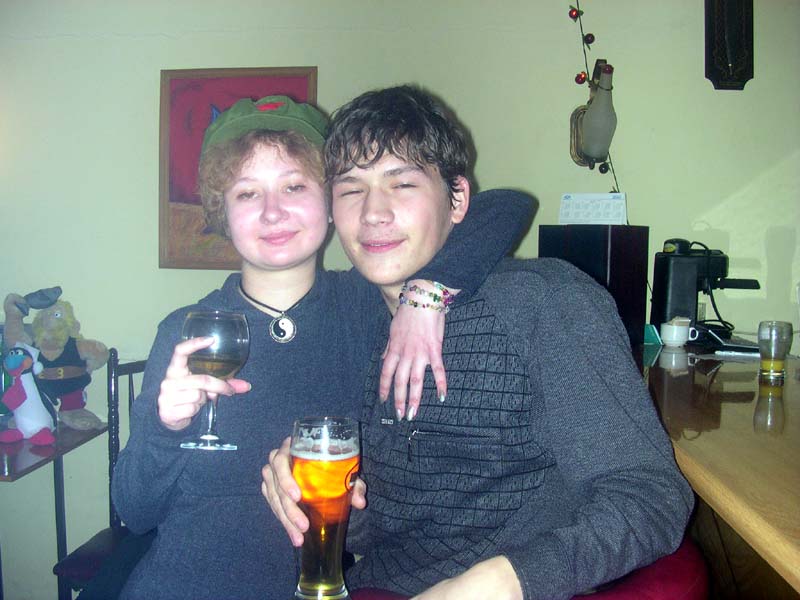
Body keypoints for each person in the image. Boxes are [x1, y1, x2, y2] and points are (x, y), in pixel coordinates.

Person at [262, 85, 694, 600]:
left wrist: (505, 580)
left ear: (458, 200)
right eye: (351, 190)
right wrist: (320, 496)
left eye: (402, 184)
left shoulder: (544, 304)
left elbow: (651, 497)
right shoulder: (353, 325)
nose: (374, 212)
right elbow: (387, 527)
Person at [108, 95, 530, 600]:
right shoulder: (188, 331)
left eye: (294, 186)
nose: (273, 212)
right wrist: (165, 429)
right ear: (223, 212)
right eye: (247, 193)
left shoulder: (369, 304)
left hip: (322, 586)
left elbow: (507, 207)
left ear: (331, 203)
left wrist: (427, 291)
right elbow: (134, 512)